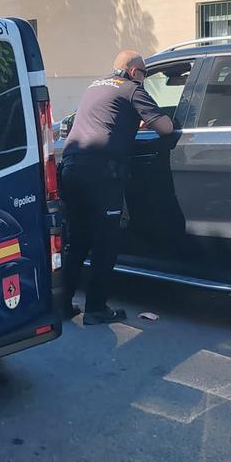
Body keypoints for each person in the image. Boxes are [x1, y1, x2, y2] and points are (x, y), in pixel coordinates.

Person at [59, 50, 176, 324]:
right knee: (106, 242)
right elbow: (166, 127)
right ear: (135, 72)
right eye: (145, 74)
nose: (144, 79)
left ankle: (62, 304)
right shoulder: (131, 89)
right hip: (101, 173)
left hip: (71, 168)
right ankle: (96, 309)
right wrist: (149, 118)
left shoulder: (94, 86)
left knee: (77, 241)